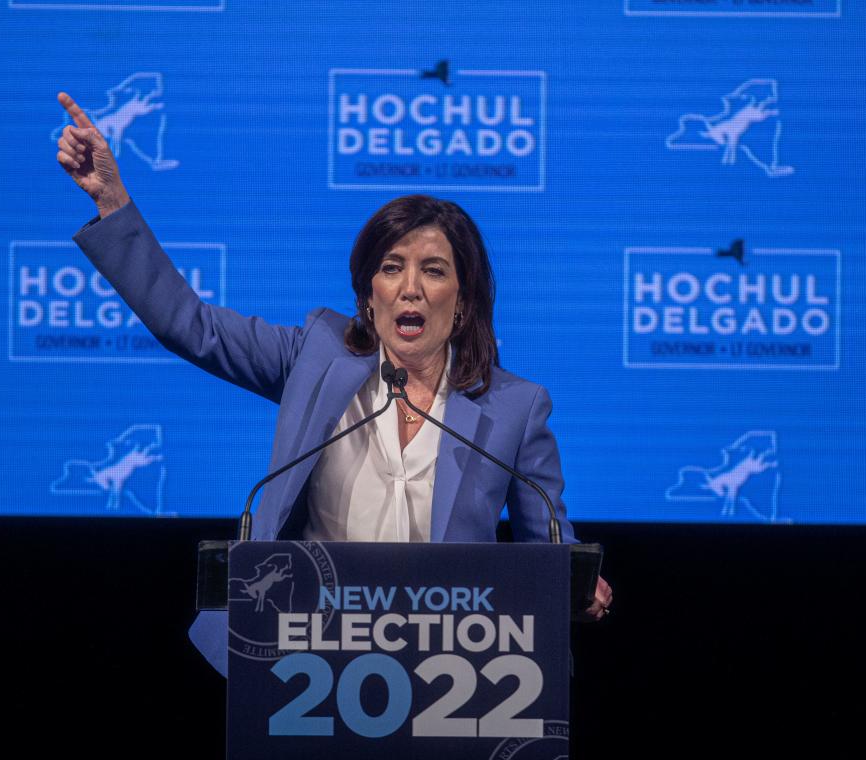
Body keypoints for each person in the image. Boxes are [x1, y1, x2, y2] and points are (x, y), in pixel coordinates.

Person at [54, 92, 613, 629]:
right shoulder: (317, 358)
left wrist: (578, 587)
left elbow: (552, 553)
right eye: (391, 268)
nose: (410, 288)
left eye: (435, 270)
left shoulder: (514, 407)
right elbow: (189, 324)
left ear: (463, 301)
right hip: (311, 650)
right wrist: (112, 202)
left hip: (454, 662)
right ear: (368, 296)